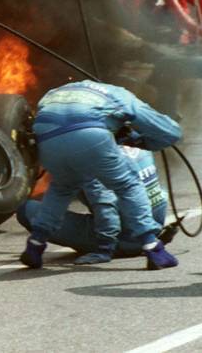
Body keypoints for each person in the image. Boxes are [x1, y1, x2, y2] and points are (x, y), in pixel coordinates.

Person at [19, 80, 181, 270]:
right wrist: (105, 249)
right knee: (127, 186)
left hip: (47, 139)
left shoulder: (55, 92)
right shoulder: (119, 94)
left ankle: (35, 246)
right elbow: (169, 132)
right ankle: (154, 249)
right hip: (90, 136)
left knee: (61, 188)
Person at [17, 145, 167, 264]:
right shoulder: (134, 136)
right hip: (155, 221)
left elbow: (105, 205)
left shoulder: (86, 153)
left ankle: (124, 244)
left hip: (127, 236)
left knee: (28, 211)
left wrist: (104, 249)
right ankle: (148, 238)